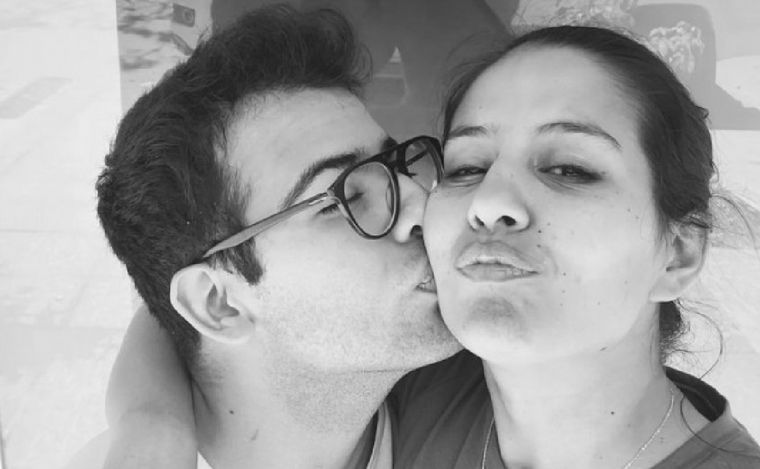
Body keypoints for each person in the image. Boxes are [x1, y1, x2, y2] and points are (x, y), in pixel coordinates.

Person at [79, 5, 461, 469]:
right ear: (219, 303)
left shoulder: (469, 396)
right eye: (345, 198)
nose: (422, 205)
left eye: (398, 167)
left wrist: (151, 419)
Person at [395, 25, 760, 468]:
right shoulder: (389, 403)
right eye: (466, 168)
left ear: (678, 254)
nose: (488, 202)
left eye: (569, 169)